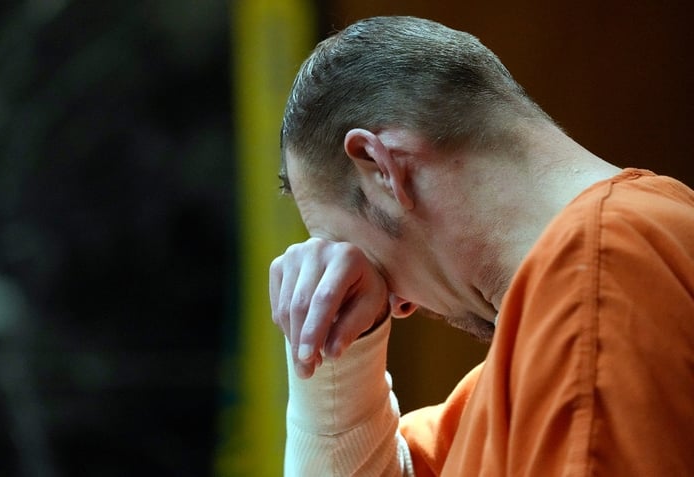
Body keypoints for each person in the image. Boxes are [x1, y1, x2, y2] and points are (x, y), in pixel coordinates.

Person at [268, 15, 694, 476]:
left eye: (374, 267)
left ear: (381, 166)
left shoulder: (596, 274)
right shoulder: (548, 332)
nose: (396, 305)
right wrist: (339, 362)